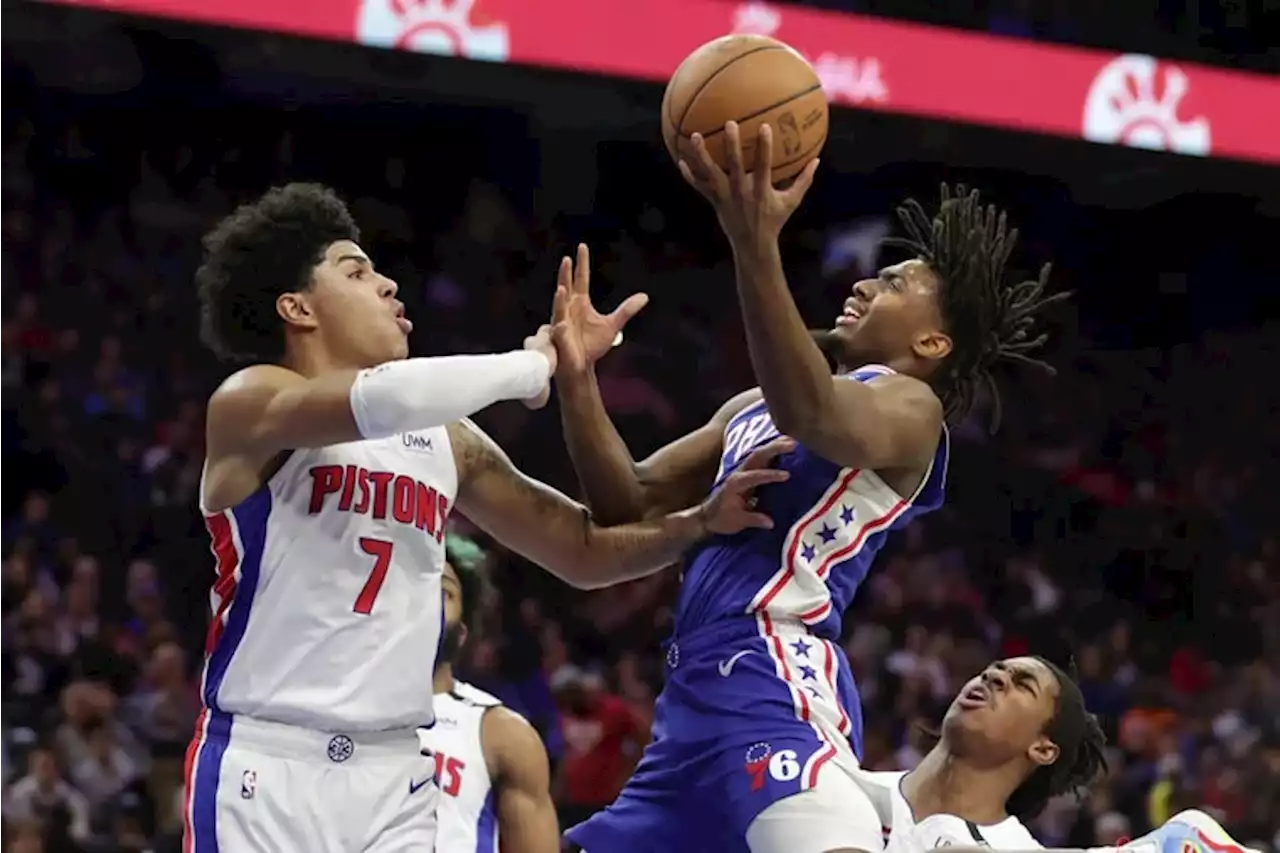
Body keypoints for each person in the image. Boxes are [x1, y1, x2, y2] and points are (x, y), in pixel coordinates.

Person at [188, 182, 788, 852]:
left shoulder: (448, 439)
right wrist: (531, 365)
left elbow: (584, 549)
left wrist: (698, 523)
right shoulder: (252, 402)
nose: (387, 284)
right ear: (296, 307)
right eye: (357, 272)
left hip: (397, 770)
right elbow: (382, 398)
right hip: (270, 761)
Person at [553, 123, 1066, 853]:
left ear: (931, 345)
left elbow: (814, 411)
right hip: (691, 700)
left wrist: (754, 239)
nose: (863, 283)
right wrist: (578, 380)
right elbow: (626, 499)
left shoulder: (910, 409)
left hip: (775, 678)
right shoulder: (751, 406)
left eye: (893, 283)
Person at [855, 656, 1258, 853]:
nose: (993, 676)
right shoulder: (839, 783)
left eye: (1021, 684)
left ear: (1043, 748)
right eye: (994, 670)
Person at [418, 533, 559, 853]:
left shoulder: (499, 733)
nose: (423, 597)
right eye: (415, 582)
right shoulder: (328, 704)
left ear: (462, 632)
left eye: (442, 590)